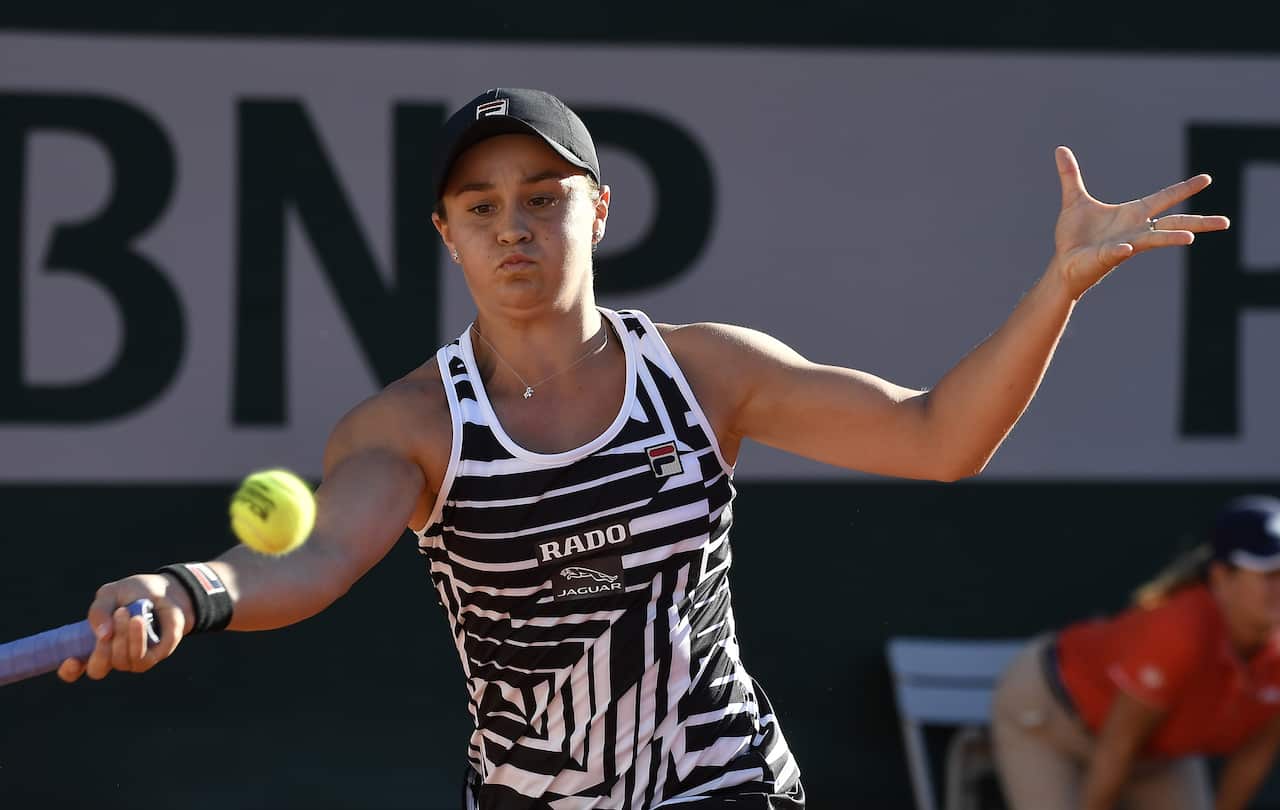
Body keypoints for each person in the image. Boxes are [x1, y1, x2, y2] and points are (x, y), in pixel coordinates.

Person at [56, 87, 1229, 808]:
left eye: (543, 195)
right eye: (479, 205)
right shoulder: (409, 426)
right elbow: (309, 564)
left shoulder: (701, 372)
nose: (513, 225)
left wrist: (1057, 289)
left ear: (599, 209)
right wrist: (189, 588)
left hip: (722, 786)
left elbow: (937, 438)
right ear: (446, 234)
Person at [991, 495, 1280, 810]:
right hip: (1051, 713)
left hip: (1151, 751)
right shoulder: (1181, 629)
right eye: (1269, 575)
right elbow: (1117, 747)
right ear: (1221, 577)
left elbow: (1255, 754)